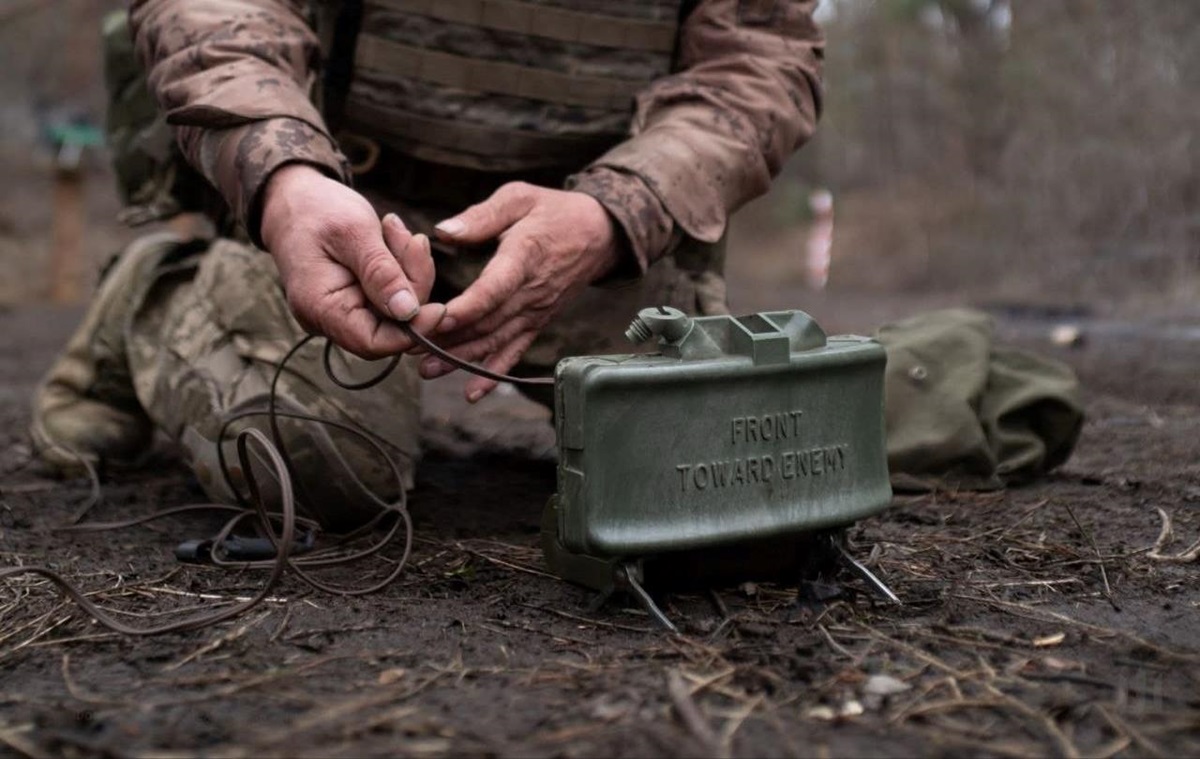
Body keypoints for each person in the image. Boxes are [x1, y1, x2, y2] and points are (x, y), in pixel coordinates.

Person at [30, 0, 824, 528]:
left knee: (715, 483)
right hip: (346, 204)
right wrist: (284, 176)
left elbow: (761, 64)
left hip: (589, 239)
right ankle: (162, 288)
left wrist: (617, 209)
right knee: (315, 460)